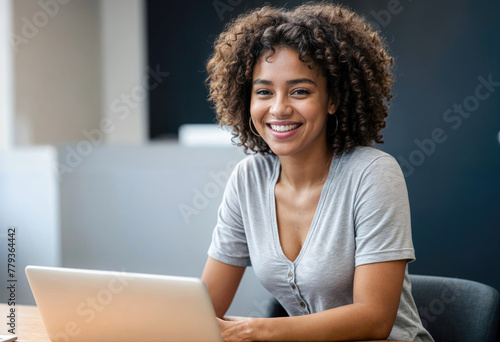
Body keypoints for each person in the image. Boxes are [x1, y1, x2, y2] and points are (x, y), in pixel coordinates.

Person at [202, 2, 434, 342]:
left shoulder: (372, 174)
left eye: (300, 91)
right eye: (264, 91)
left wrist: (258, 330)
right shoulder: (247, 179)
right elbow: (205, 306)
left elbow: (374, 319)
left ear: (333, 100)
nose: (279, 108)